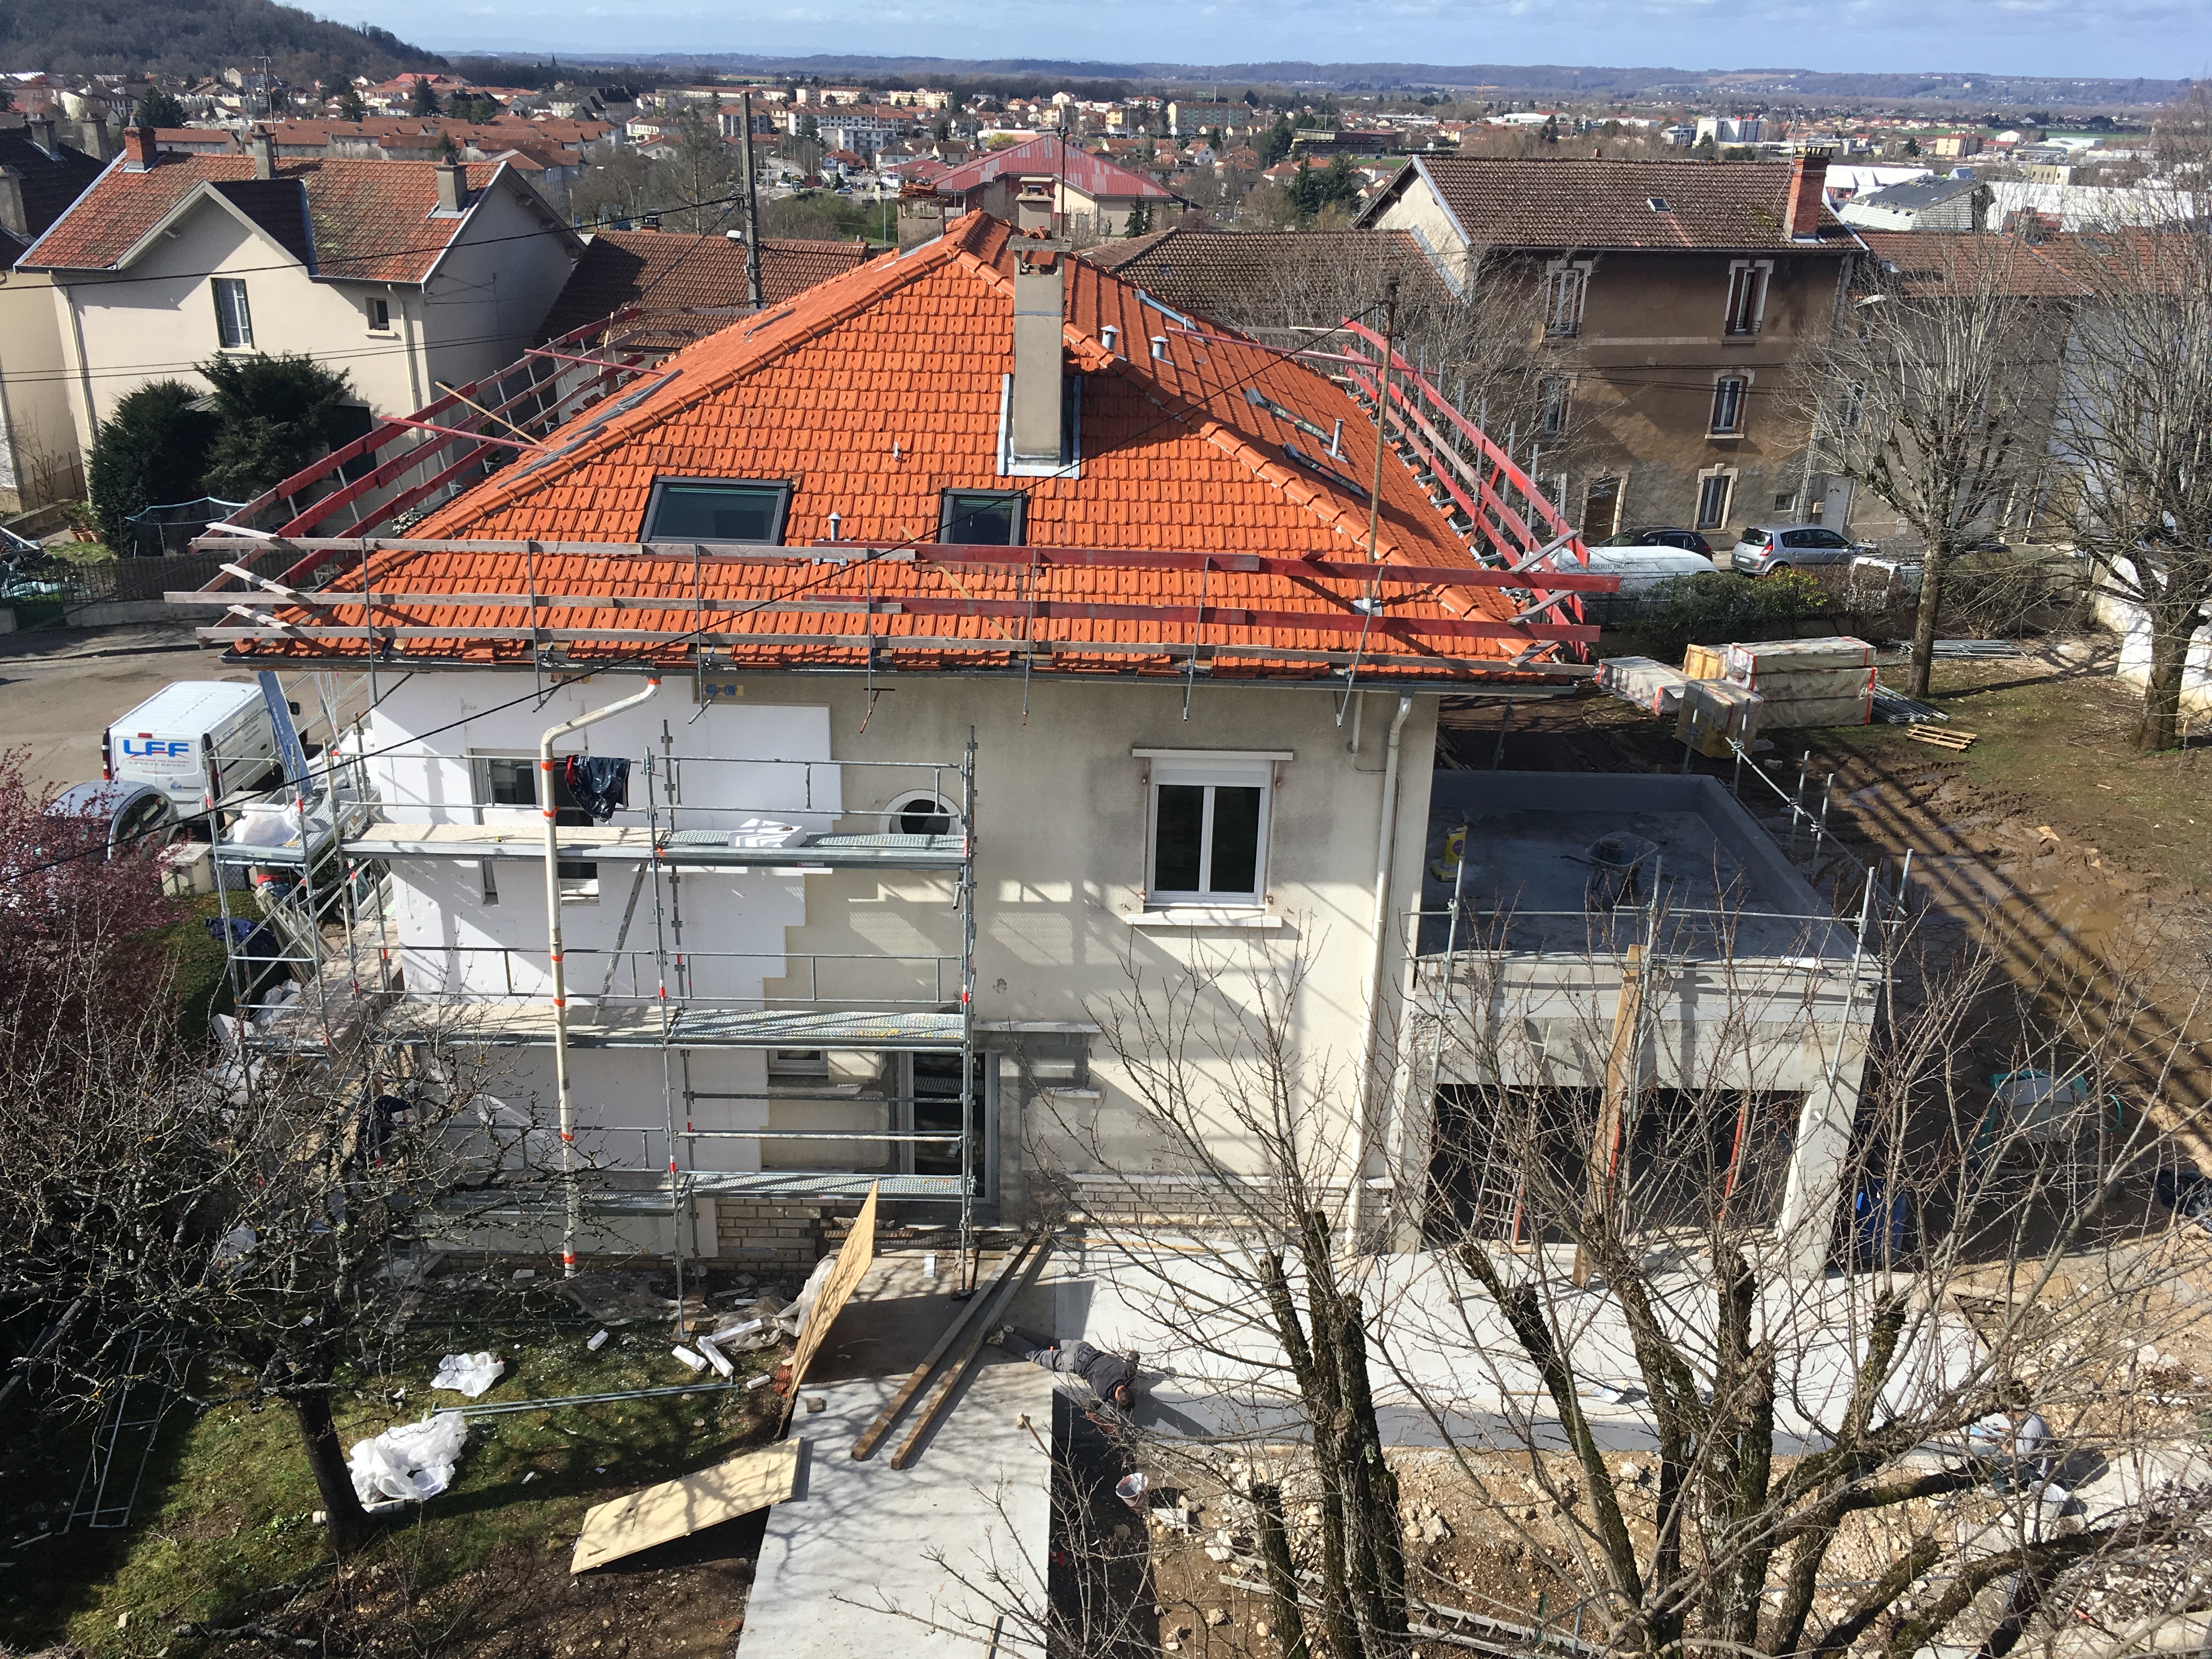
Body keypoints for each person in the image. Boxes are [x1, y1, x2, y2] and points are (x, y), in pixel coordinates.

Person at [996, 1326, 1137, 1412]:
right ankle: (1003, 1338)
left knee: (1050, 1342)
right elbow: (1089, 1409)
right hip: (1072, 1362)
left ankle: (1013, 1329)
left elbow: (1135, 1355)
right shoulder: (1102, 1394)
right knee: (1038, 1355)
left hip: (1083, 1347)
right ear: (1117, 1398)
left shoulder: (1129, 1373)